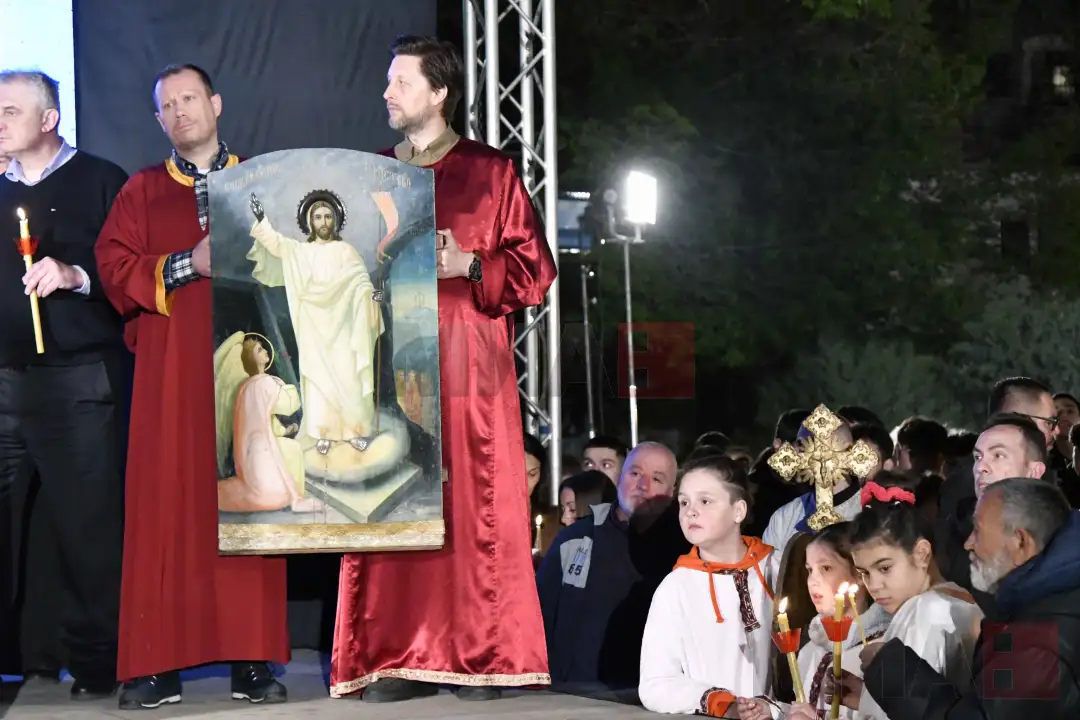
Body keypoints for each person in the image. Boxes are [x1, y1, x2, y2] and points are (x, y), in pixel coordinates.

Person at [330, 36, 557, 702]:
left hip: (468, 367)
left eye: (401, 82)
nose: (388, 93)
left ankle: (480, 654)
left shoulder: (490, 172)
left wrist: (471, 264)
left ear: (439, 92)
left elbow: (535, 271)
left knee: (472, 503)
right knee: (394, 492)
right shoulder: (369, 175)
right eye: (389, 81)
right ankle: (393, 655)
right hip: (390, 362)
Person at [94, 63, 288, 709]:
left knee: (253, 500)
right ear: (158, 120)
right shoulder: (143, 191)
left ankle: (252, 659)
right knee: (165, 512)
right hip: (171, 373)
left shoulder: (263, 181)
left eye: (189, 99)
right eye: (167, 105)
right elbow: (114, 266)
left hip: (249, 368)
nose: (180, 111)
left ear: (216, 104)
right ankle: (157, 663)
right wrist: (185, 264)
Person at [0, 69, 129, 700]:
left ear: (49, 119)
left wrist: (76, 275)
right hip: (4, 378)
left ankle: (101, 661)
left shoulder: (101, 180)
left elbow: (130, 272)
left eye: (9, 111)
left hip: (77, 378)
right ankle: (21, 656)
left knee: (87, 527)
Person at [862, 477, 1080, 718]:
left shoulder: (1039, 644)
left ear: (1019, 541)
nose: (968, 544)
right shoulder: (1044, 607)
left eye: (977, 530)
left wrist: (890, 671)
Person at [826, 473, 983, 717]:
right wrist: (866, 698)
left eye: (884, 568)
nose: (874, 585)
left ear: (922, 553)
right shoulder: (958, 599)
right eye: (864, 573)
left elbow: (918, 710)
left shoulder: (927, 610)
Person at [537, 442, 685, 699]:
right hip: (573, 696)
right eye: (635, 473)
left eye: (657, 479)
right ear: (620, 477)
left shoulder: (685, 550)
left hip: (649, 700)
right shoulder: (577, 537)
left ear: (672, 492)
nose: (643, 485)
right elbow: (541, 614)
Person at [247, 191, 385, 456]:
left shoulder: (346, 251)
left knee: (349, 379)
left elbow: (361, 282)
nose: (323, 222)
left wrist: (371, 297)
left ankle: (354, 432)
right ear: (310, 222)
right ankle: (324, 434)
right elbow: (277, 244)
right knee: (320, 382)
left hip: (344, 326)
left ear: (335, 220)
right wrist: (262, 219)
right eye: (318, 217)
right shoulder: (302, 251)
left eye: (328, 217)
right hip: (314, 326)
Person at [638, 455, 777, 718]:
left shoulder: (777, 569)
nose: (690, 511)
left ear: (738, 511)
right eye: (684, 502)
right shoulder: (676, 587)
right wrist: (722, 704)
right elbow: (655, 684)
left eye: (705, 501)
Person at [752, 523, 890, 720]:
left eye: (826, 568)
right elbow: (805, 707)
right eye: (810, 570)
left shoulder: (880, 649)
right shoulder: (811, 650)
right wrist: (773, 711)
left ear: (860, 573)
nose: (812, 581)